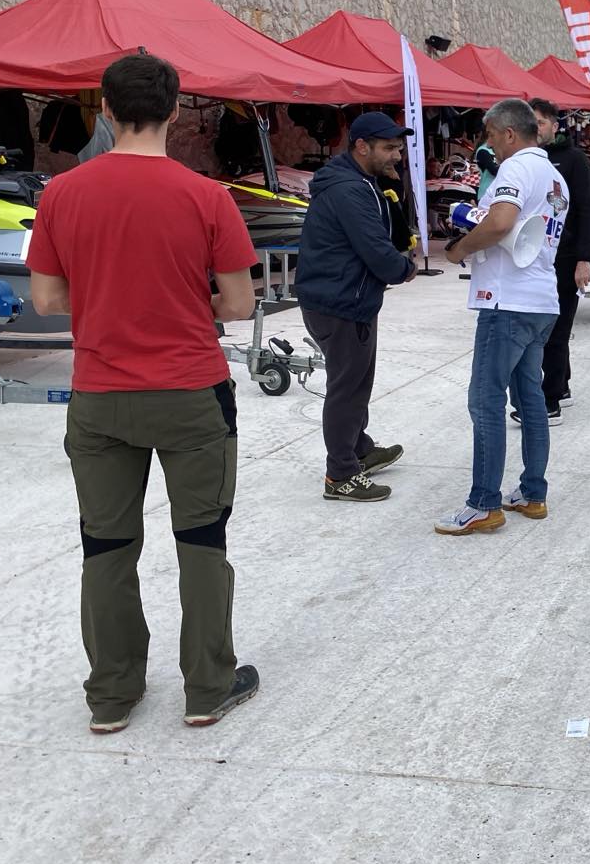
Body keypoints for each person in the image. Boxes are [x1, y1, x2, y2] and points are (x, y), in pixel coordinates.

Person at [26, 54, 261, 732]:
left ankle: (111, 694)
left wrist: (109, 299)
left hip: (100, 395)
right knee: (202, 541)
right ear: (173, 111)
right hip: (191, 393)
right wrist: (182, 301)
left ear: (104, 108)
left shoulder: (62, 194)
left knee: (105, 545)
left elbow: (47, 299)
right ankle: (207, 687)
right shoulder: (207, 197)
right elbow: (239, 304)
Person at [437, 98, 568, 536]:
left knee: (485, 400)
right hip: (540, 300)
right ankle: (533, 493)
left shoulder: (514, 168)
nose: (488, 144)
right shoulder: (554, 176)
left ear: (509, 134)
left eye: (491, 135)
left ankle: (483, 504)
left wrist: (458, 249)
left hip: (506, 301)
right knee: (530, 399)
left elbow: (499, 224)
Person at [295, 112, 417, 504]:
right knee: (346, 389)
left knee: (357, 383)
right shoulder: (350, 190)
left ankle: (359, 448)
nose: (396, 155)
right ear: (361, 147)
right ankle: (341, 474)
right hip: (340, 302)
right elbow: (376, 249)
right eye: (389, 148)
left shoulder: (361, 182)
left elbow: (383, 234)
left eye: (399, 148)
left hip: (348, 298)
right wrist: (404, 268)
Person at [519, 99, 590, 426]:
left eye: (541, 122)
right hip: (534, 258)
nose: (536, 128)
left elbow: (587, 210)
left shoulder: (574, 160)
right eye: (531, 122)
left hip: (565, 259)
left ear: (555, 126)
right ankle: (561, 385)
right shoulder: (524, 160)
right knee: (549, 328)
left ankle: (549, 402)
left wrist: (584, 259)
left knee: (555, 330)